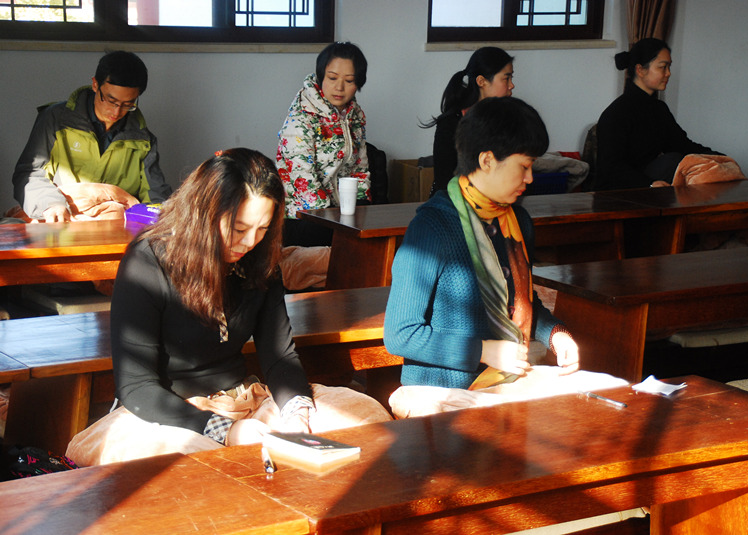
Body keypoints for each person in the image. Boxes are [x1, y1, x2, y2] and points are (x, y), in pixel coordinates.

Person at [66, 148, 390, 465]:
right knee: (194, 466)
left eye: (262, 229)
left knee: (364, 418)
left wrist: (296, 413)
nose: (249, 242)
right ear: (204, 213)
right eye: (239, 228)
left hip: (243, 399)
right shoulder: (148, 260)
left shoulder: (259, 261)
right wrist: (225, 430)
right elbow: (137, 387)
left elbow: (279, 355)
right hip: (167, 413)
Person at [384, 97, 625, 417]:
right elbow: (400, 335)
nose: (530, 178)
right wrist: (482, 350)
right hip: (441, 393)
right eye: (524, 166)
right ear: (487, 160)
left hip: (503, 382)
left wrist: (556, 335)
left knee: (607, 401)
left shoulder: (517, 222)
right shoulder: (432, 227)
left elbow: (522, 302)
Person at [12, 50, 171, 222]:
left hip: (116, 226)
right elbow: (29, 173)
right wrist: (51, 204)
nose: (116, 111)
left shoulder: (143, 140)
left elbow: (156, 198)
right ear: (95, 85)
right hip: (61, 220)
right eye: (111, 100)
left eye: (128, 104)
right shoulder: (56, 120)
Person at [594, 38, 722, 191]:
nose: (668, 73)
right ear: (640, 70)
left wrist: (718, 158)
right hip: (617, 193)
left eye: (669, 67)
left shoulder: (659, 109)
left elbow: (682, 145)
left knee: (692, 163)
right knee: (671, 162)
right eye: (663, 67)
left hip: (647, 187)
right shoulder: (616, 113)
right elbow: (610, 168)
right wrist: (649, 183)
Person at [276, 41, 371, 247]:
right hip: (303, 217)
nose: (339, 87)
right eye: (332, 78)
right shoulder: (301, 118)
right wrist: (335, 220)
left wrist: (362, 207)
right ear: (321, 77)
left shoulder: (354, 116)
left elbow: (360, 167)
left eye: (349, 80)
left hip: (339, 215)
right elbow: (303, 177)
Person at [422, 46, 514, 197]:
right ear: (481, 81)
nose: (511, 85)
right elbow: (444, 181)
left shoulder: (508, 119)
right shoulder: (451, 123)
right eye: (506, 78)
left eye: (511, 78)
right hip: (456, 202)